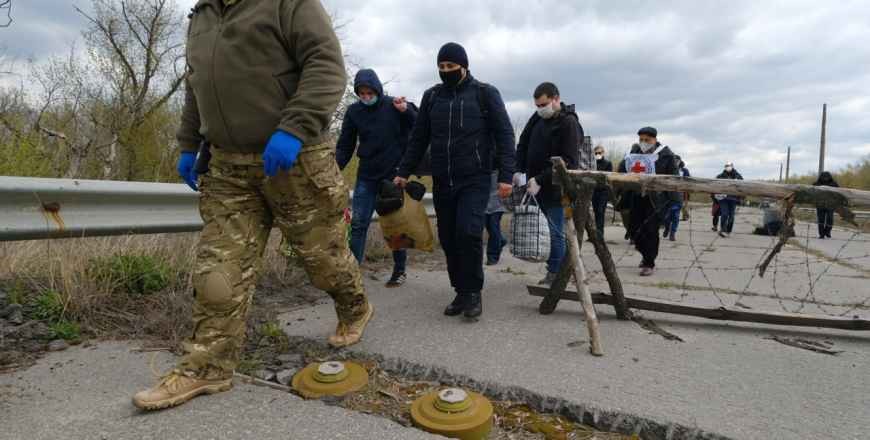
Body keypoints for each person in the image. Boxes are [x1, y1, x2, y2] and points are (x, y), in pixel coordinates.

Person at [134, 0, 372, 411]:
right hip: (227, 166)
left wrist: (295, 127)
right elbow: (196, 85)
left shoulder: (289, 4)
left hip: (295, 160)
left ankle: (354, 307)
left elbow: (326, 65)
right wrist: (189, 143)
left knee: (323, 261)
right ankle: (206, 368)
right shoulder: (202, 15)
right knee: (217, 273)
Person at [394, 42, 515, 319]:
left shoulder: (485, 93)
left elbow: (505, 135)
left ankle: (473, 293)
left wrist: (506, 176)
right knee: (448, 237)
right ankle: (460, 290)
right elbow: (418, 137)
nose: (446, 71)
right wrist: (403, 170)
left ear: (464, 66)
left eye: (451, 66)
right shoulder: (432, 97)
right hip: (443, 178)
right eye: (441, 67)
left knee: (468, 232)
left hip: (475, 177)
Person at [336, 68, 417, 287]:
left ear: (377, 89)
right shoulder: (354, 112)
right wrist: (334, 169)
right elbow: (345, 145)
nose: (366, 97)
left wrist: (406, 110)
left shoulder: (394, 106)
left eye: (369, 92)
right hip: (367, 176)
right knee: (360, 223)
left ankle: (399, 271)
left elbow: (419, 127)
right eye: (361, 93)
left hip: (392, 177)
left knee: (395, 225)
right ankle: (352, 274)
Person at [516, 82, 582, 285]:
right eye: (537, 105)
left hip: (556, 188)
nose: (540, 108)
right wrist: (519, 169)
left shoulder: (568, 123)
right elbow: (523, 143)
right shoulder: (537, 118)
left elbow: (568, 160)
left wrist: (541, 178)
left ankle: (556, 272)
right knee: (540, 230)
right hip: (534, 186)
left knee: (555, 232)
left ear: (556, 99)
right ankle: (554, 268)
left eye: (544, 104)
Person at [617, 127, 681, 276]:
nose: (643, 143)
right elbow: (621, 170)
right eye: (641, 140)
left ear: (655, 140)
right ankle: (645, 254)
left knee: (651, 230)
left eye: (647, 140)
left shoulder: (665, 154)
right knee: (634, 229)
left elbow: (674, 178)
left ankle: (649, 262)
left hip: (656, 200)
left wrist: (674, 201)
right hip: (636, 197)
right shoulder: (633, 153)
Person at [485, 171, 508, 265]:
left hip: (498, 202)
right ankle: (501, 240)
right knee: (489, 227)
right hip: (484, 201)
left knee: (494, 228)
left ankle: (492, 256)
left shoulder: (500, 166)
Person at [662, 156, 688, 241]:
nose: (676, 162)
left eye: (677, 160)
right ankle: (667, 228)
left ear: (680, 161)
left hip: (678, 197)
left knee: (675, 217)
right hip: (667, 197)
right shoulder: (666, 169)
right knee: (666, 217)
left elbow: (688, 183)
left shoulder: (684, 171)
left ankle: (673, 233)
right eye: (674, 160)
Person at [715, 162, 743, 238]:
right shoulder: (720, 176)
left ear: (732, 166)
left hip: (733, 199)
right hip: (723, 198)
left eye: (729, 166)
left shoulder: (738, 176)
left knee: (731, 216)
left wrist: (740, 199)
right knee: (724, 214)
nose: (728, 167)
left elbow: (742, 188)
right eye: (726, 166)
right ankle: (723, 230)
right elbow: (715, 187)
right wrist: (715, 198)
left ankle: (728, 231)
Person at [592, 145, 613, 239]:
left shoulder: (608, 163)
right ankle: (597, 232)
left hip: (603, 191)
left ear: (603, 153)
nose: (598, 155)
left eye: (599, 153)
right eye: (596, 153)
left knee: (601, 211)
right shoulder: (593, 164)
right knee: (596, 212)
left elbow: (608, 177)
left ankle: (600, 234)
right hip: (594, 191)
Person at [813, 171, 839, 239]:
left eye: (827, 177)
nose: (825, 178)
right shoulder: (816, 184)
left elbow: (839, 193)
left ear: (829, 177)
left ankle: (827, 232)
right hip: (820, 204)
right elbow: (812, 194)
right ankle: (821, 234)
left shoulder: (834, 184)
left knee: (830, 219)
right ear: (821, 177)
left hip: (830, 204)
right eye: (824, 177)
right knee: (821, 219)